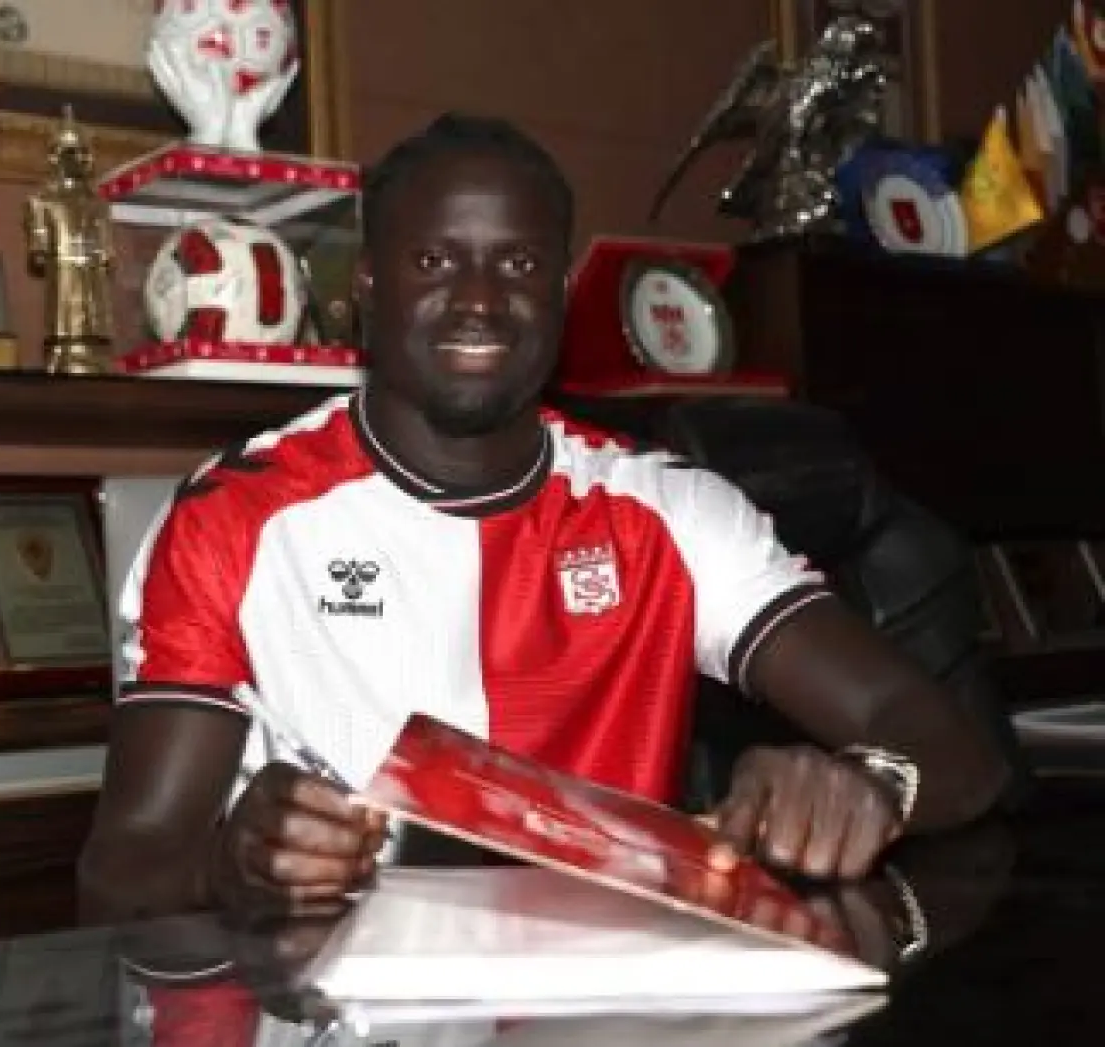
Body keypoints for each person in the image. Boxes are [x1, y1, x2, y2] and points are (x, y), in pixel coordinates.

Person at [79, 113, 1010, 923]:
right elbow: (123, 871)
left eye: (519, 263)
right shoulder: (232, 518)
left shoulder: (669, 510)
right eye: (435, 260)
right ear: (365, 285)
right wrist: (229, 868)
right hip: (330, 1013)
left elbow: (953, 748)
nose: (480, 299)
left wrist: (870, 785)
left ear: (560, 293)